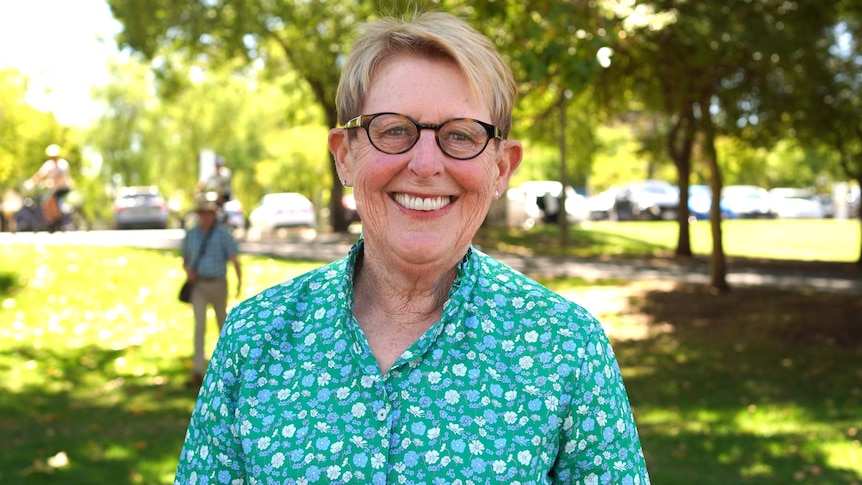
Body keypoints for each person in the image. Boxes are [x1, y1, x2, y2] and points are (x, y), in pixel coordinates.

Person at [174, 11, 650, 484]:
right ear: (345, 156)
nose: (425, 164)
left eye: (461, 135)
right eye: (394, 130)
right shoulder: (253, 340)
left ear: (501, 168)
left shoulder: (565, 346)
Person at [180, 193, 242, 387]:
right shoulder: (191, 234)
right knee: (199, 326)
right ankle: (197, 370)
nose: (206, 216)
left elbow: (234, 259)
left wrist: (239, 282)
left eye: (209, 213)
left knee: (222, 325)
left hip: (218, 283)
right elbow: (185, 258)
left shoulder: (222, 233)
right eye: (202, 213)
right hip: (199, 284)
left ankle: (228, 370)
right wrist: (188, 270)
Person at [24, 144, 73, 228]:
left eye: (55, 156)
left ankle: (59, 220)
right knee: (45, 203)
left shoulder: (62, 164)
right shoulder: (48, 165)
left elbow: (59, 176)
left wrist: (51, 181)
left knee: (52, 199)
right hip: (54, 189)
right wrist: (30, 182)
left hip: (63, 188)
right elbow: (39, 175)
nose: (53, 158)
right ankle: (52, 221)